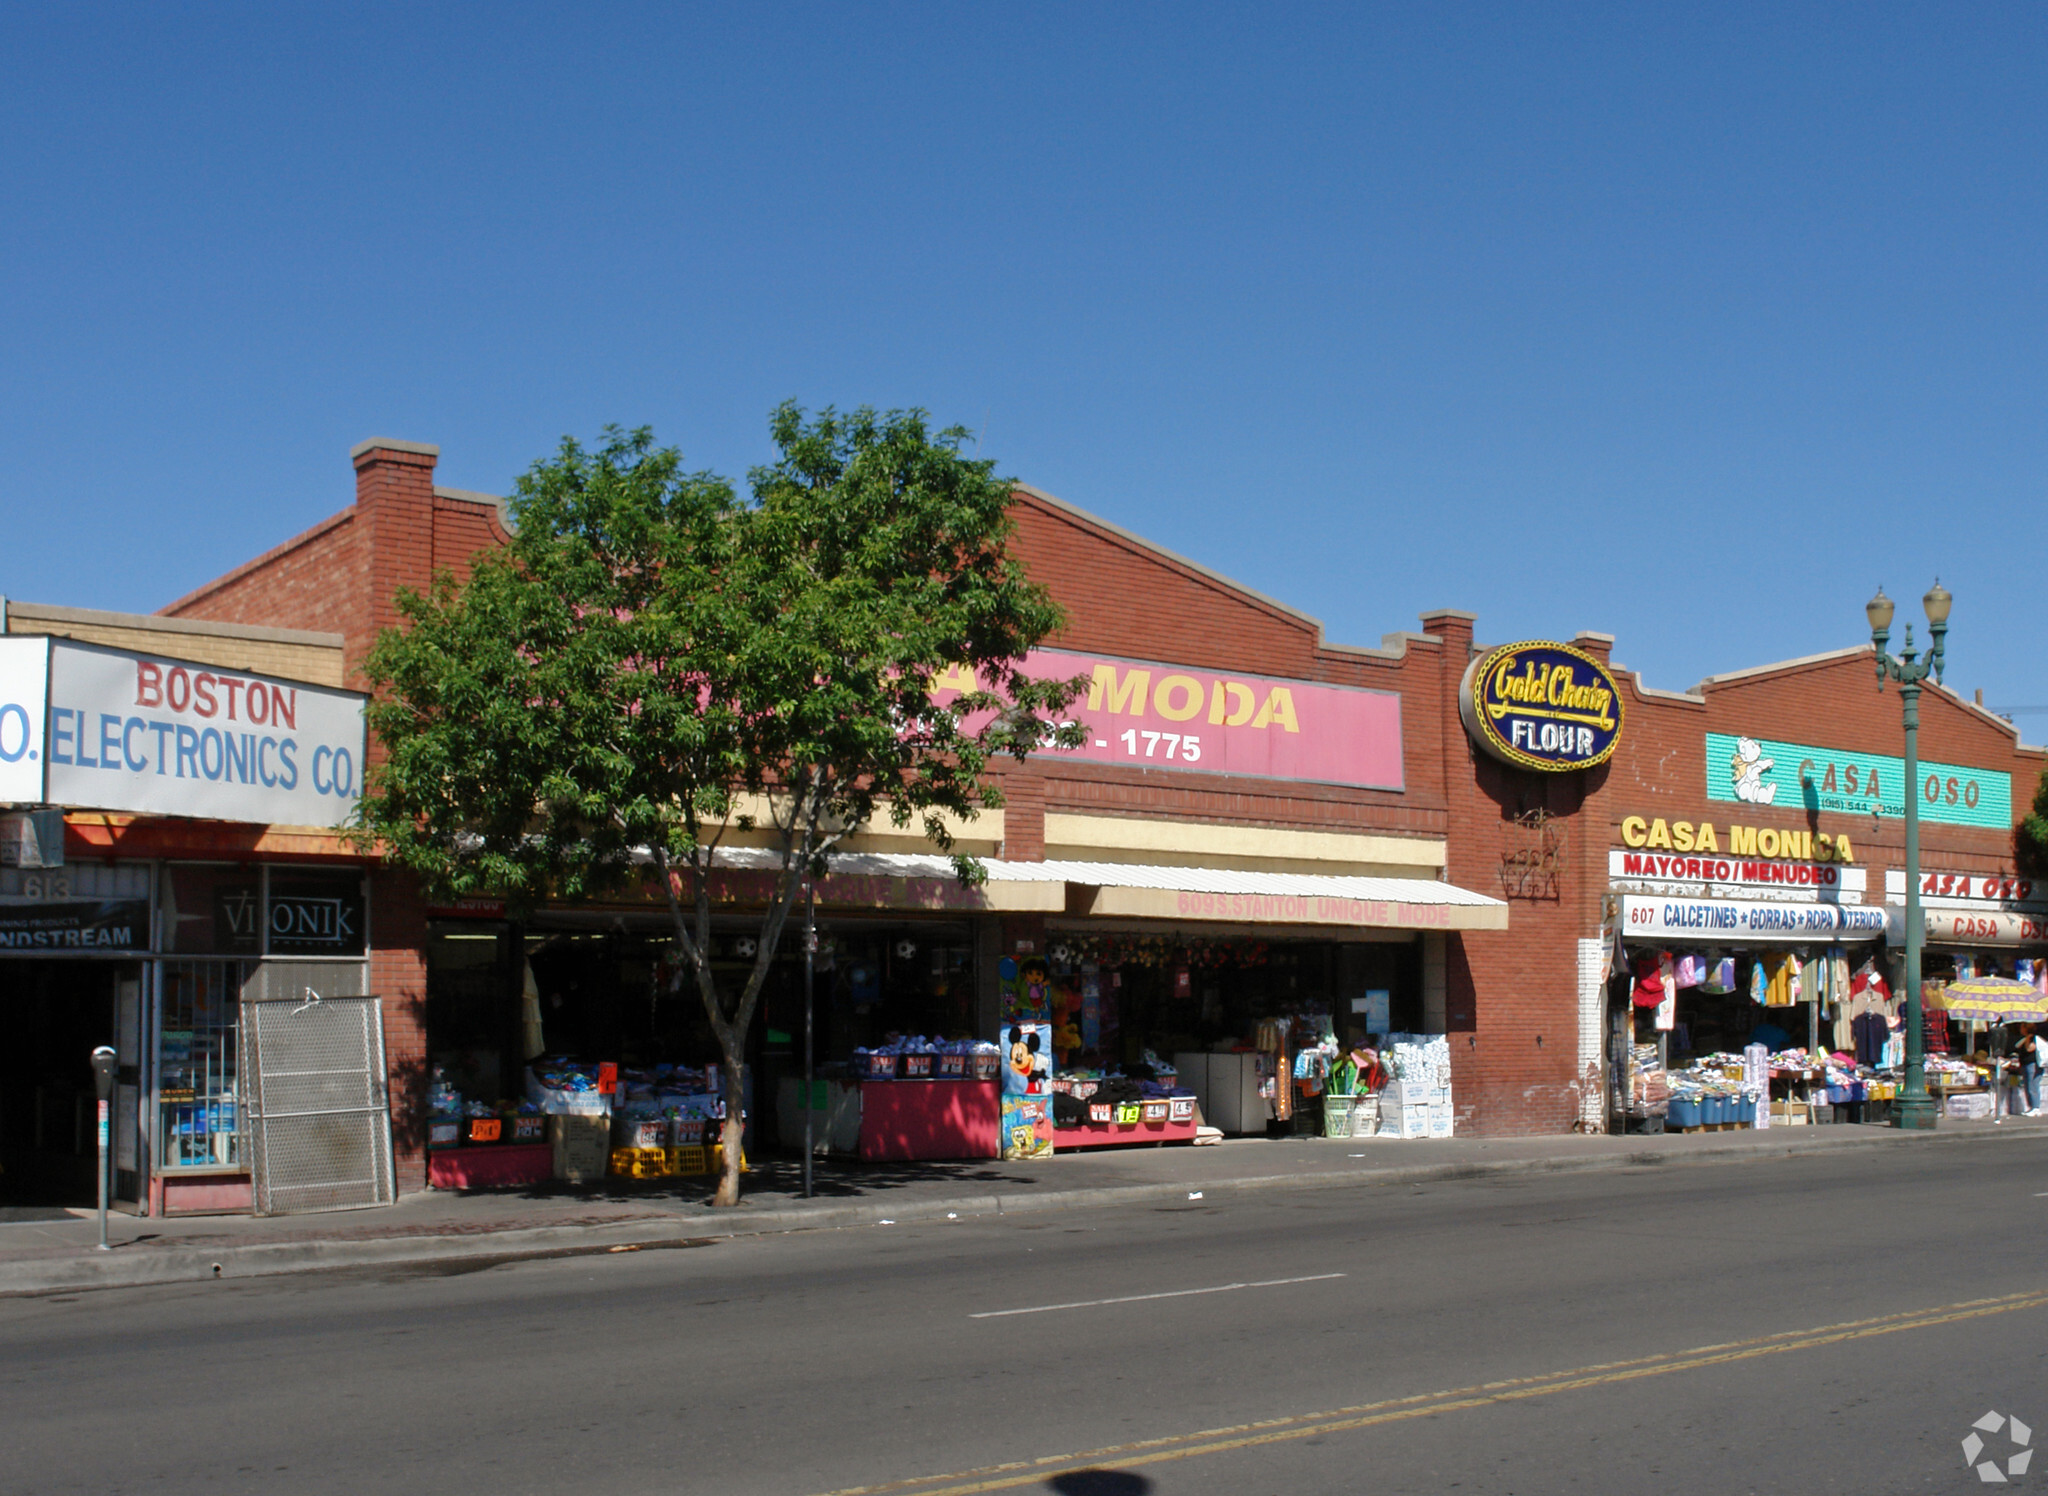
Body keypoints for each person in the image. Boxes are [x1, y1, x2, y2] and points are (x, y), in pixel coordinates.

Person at [2019, 1023, 2044, 1119]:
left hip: (2032, 1064)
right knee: (2028, 1085)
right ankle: (2031, 1107)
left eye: (2022, 1027)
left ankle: (2035, 1107)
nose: (2020, 1029)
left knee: (2032, 1085)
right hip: (2026, 1064)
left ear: (2026, 1028)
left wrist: (2027, 1039)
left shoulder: (2033, 1038)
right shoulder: (2025, 1038)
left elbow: (2029, 1048)